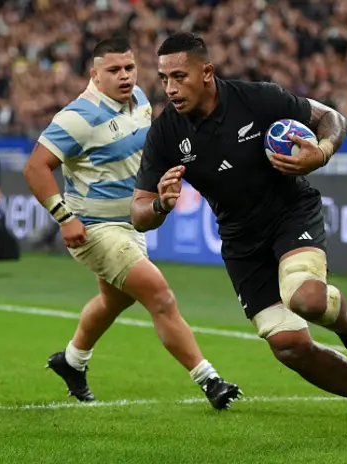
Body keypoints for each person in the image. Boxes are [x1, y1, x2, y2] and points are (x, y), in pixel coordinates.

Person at [132, 32, 347, 440]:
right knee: (289, 346)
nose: (171, 88)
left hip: (289, 214)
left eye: (180, 76)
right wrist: (159, 204)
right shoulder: (166, 133)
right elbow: (138, 214)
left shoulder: (257, 99)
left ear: (207, 72)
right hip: (242, 243)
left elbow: (332, 118)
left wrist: (323, 151)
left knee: (307, 297)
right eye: (164, 78)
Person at [23, 37, 241, 410]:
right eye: (113, 70)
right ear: (95, 74)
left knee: (113, 300)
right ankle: (211, 381)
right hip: (94, 228)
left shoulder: (140, 99)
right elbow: (35, 167)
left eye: (129, 68)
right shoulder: (77, 117)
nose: (124, 76)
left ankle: (72, 361)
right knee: (159, 294)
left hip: (131, 224)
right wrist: (64, 218)